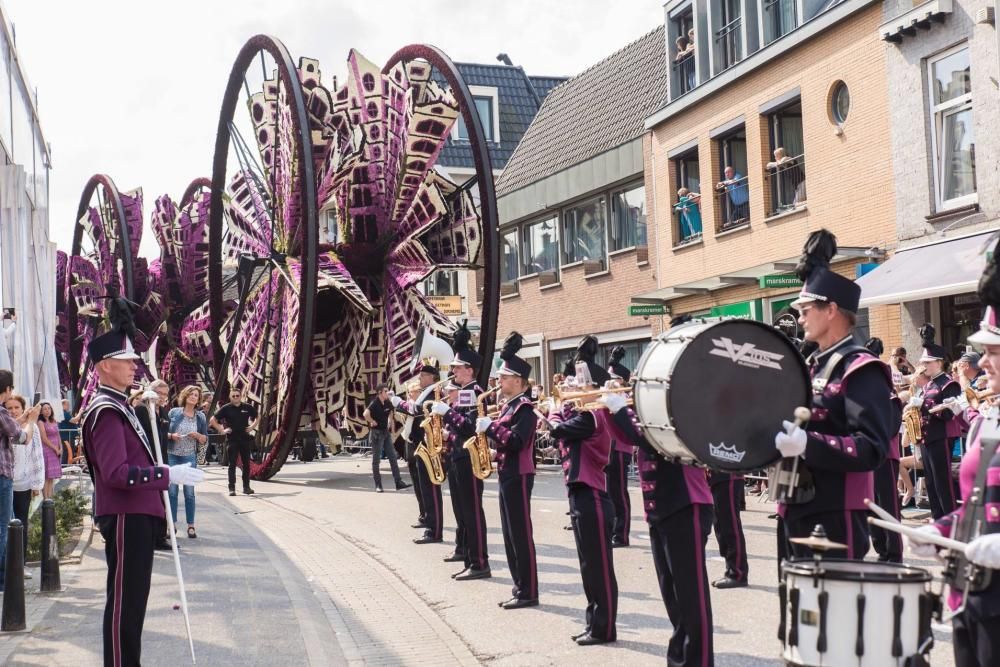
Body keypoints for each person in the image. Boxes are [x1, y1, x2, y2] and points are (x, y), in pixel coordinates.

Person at [80, 310, 205, 666]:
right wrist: (165, 476)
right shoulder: (106, 410)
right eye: (126, 360)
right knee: (125, 605)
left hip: (138, 515)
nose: (135, 366)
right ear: (104, 365)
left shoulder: (121, 406)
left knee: (133, 605)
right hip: (125, 514)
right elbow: (116, 473)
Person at [773, 229, 895, 560]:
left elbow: (872, 448)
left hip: (834, 515)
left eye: (806, 309)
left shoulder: (859, 368)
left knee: (830, 612)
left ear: (831, 310)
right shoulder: (811, 363)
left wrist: (807, 444)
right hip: (794, 503)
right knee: (796, 609)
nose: (800, 317)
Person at [908, 244, 1000, 665]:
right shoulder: (987, 417)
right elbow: (975, 504)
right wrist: (942, 531)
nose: (983, 362)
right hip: (972, 592)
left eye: (994, 352)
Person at [602, 387, 714, 664]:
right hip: (660, 507)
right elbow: (626, 439)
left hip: (686, 504)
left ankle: (697, 660)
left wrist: (622, 411)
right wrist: (607, 410)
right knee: (672, 594)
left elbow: (652, 438)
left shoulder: (683, 406)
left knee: (690, 595)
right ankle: (680, 657)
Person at [547, 335, 619, 645]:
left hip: (591, 494)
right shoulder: (584, 414)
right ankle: (595, 624)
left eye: (580, 385)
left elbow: (557, 429)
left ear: (594, 390)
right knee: (589, 567)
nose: (573, 388)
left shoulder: (592, 416)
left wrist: (552, 409)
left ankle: (603, 628)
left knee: (598, 568)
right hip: (581, 494)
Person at [474, 333, 539, 608]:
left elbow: (516, 441)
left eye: (503, 378)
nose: (498, 383)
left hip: (520, 474)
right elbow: (507, 444)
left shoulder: (524, 408)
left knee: (520, 534)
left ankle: (529, 591)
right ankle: (519, 586)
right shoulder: (509, 406)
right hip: (507, 472)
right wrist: (492, 452)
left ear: (518, 381)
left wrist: (491, 427)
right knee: (510, 533)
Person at [432, 321, 491, 580]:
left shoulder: (474, 392)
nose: (453, 371)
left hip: (469, 458)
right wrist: (446, 430)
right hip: (457, 455)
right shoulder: (462, 391)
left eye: (457, 368)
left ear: (469, 370)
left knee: (471, 510)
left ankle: (479, 562)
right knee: (462, 508)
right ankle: (468, 555)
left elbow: (469, 426)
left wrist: (449, 415)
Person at [911, 323, 962, 519]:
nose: (924, 366)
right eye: (924, 363)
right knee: (931, 484)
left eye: (928, 363)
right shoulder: (928, 384)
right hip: (926, 438)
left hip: (941, 437)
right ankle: (937, 520)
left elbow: (948, 414)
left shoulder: (949, 383)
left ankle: (950, 522)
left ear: (939, 362)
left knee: (943, 483)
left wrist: (923, 403)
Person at [391, 364, 444, 543]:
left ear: (432, 377)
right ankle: (430, 523)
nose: (419, 378)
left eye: (422, 375)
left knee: (431, 489)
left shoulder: (431, 393)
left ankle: (434, 530)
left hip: (428, 446)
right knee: (425, 489)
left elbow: (417, 410)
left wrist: (399, 403)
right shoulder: (426, 392)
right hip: (421, 445)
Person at [865, 337, 904, 563]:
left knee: (888, 505)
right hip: (870, 455)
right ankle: (881, 548)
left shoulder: (889, 396)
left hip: (886, 455)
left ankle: (895, 552)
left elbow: (890, 427)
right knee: (872, 505)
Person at [7, 394, 42, 578]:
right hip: (6, 483)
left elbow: (36, 454)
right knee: (5, 526)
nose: (13, 411)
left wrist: (37, 483)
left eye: (16, 408)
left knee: (22, 524)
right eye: (9, 408)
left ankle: (20, 565)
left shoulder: (32, 428)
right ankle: (7, 566)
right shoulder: (5, 426)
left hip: (24, 483)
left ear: (23, 409)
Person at [167, 386, 207, 538]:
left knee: (189, 493)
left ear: (198, 399)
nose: (193, 397)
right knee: (172, 492)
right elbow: (164, 431)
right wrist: (172, 436)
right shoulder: (174, 412)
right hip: (172, 455)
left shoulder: (200, 417)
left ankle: (191, 525)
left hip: (189, 457)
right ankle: (172, 525)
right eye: (190, 394)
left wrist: (197, 435)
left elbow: (204, 440)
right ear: (185, 396)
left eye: (196, 395)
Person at [604, 346, 633, 548]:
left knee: (619, 492)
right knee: (607, 491)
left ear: (622, 382)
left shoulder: (628, 399)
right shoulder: (605, 397)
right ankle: (610, 528)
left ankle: (621, 533)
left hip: (621, 449)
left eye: (614, 380)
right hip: (606, 448)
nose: (610, 384)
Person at [211, 387, 258, 497]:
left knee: (246, 464)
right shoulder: (226, 408)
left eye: (237, 395)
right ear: (230, 397)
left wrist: (252, 427)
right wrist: (222, 430)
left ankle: (246, 487)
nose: (236, 397)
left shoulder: (247, 407)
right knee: (232, 465)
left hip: (245, 439)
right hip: (232, 440)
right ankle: (232, 488)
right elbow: (212, 420)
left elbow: (257, 416)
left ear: (241, 396)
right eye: (233, 396)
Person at [363, 384, 409, 493]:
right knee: (376, 460)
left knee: (393, 458)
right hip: (376, 434)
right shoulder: (374, 403)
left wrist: (391, 427)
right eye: (385, 391)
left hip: (385, 433)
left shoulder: (388, 402)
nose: (387, 393)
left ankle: (398, 482)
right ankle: (378, 485)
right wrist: (372, 421)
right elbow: (365, 414)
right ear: (379, 393)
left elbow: (391, 413)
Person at [37, 402, 62, 499]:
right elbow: (44, 438)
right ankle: (46, 499)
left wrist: (60, 447)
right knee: (47, 476)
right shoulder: (40, 422)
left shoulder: (54, 420)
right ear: (41, 412)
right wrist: (55, 448)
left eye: (49, 408)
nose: (47, 411)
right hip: (47, 450)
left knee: (51, 477)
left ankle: (51, 498)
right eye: (45, 409)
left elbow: (58, 435)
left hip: (56, 451)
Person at [59, 398, 80, 464]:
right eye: (67, 404)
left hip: (67, 436)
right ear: (63, 405)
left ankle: (68, 465)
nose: (68, 406)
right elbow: (74, 420)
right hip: (67, 436)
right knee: (68, 451)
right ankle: (65, 465)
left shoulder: (64, 413)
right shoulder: (64, 413)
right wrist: (80, 413)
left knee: (69, 451)